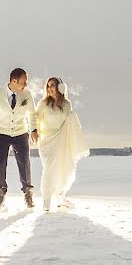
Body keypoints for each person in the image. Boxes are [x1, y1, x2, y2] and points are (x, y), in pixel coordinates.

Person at [0, 68, 39, 210]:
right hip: (1, 134)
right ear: (13, 81)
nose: (25, 85)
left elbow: (32, 114)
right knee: (0, 164)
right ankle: (0, 194)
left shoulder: (26, 95)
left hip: (21, 133)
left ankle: (28, 193)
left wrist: (33, 129)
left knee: (25, 164)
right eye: (23, 82)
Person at [35, 77, 89, 211]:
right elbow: (36, 120)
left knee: (64, 168)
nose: (49, 88)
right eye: (48, 86)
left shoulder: (66, 104)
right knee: (48, 170)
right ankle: (46, 200)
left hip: (63, 141)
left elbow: (69, 123)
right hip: (47, 142)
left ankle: (60, 197)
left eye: (52, 85)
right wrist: (34, 131)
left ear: (60, 87)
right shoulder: (43, 104)